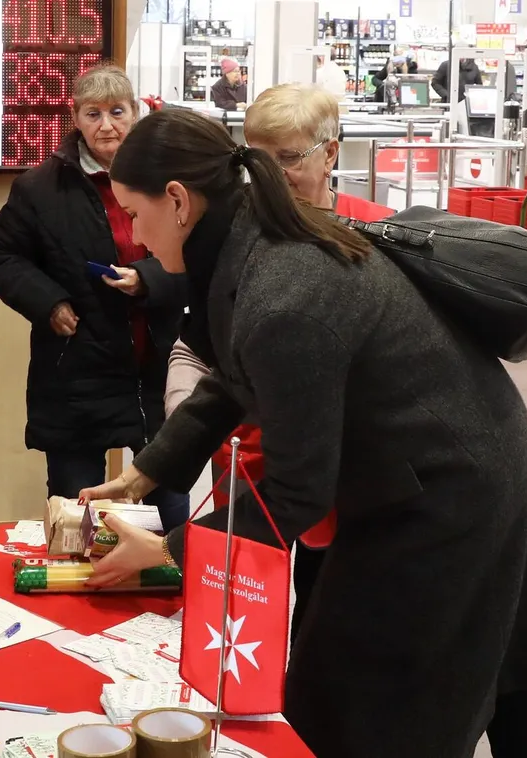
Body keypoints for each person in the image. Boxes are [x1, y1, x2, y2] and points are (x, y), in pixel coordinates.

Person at [79, 108, 527, 758]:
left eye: (133, 213)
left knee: (384, 707)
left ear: (176, 201)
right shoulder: (245, 242)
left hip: (448, 497)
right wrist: (145, 472)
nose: (133, 234)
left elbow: (294, 494)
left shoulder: (282, 292)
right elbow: (230, 378)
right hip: (414, 474)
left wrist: (170, 547)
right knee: (329, 686)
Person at [165, 82, 394, 639]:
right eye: (258, 162)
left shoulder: (376, 230)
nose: (273, 177)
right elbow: (199, 341)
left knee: (324, 609)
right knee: (244, 612)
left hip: (340, 466)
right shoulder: (237, 234)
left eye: (289, 159)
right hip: (247, 453)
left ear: (331, 153)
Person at [0, 64, 190, 530]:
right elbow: (0, 255)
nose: (106, 125)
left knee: (172, 516)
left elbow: (198, 257)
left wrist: (146, 279)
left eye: (118, 111)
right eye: (93, 114)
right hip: (75, 373)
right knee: (77, 520)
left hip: (159, 370)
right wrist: (49, 302)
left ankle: (175, 601)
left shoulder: (168, 181)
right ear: (75, 118)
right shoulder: (39, 187)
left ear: (136, 114)